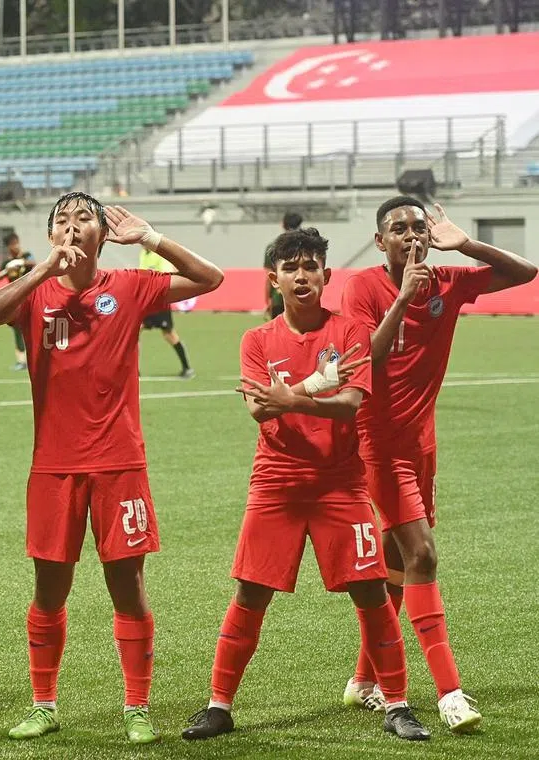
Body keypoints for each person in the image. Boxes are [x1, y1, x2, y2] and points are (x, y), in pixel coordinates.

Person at [0, 192, 224, 744]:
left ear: (103, 235)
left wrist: (151, 239)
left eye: (84, 218)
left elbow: (211, 279)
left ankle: (136, 707)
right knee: (49, 589)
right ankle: (44, 704)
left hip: (119, 463)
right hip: (53, 468)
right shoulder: (35, 292)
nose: (72, 226)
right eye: (61, 220)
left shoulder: (129, 288)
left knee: (128, 588)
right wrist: (42, 270)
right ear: (51, 235)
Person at [181, 228, 429, 742]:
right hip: (276, 483)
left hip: (341, 483)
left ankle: (398, 705)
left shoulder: (350, 331)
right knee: (250, 592)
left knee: (371, 592)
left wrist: (291, 399)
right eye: (291, 267)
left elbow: (350, 404)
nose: (302, 275)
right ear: (274, 279)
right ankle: (219, 706)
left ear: (326, 276)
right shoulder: (256, 340)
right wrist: (306, 393)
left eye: (311, 266)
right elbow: (255, 407)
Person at [339, 197, 536, 732]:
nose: (410, 236)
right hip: (375, 443)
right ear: (381, 243)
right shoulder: (362, 289)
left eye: (418, 228)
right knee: (423, 553)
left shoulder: (449, 280)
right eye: (398, 229)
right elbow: (363, 360)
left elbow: (525, 273)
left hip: (421, 444)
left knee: (397, 559)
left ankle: (364, 681)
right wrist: (403, 299)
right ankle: (449, 693)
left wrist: (465, 242)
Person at [139, 246, 194, 378]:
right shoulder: (143, 254)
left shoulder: (159, 255)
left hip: (159, 300)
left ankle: (187, 368)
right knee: (135, 331)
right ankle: (135, 371)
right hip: (147, 300)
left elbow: (166, 274)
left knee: (169, 334)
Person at [0, 232, 35, 370]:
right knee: (17, 330)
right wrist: (8, 269)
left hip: (30, 298)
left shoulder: (26, 256)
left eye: (16, 243)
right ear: (8, 247)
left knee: (33, 329)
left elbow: (34, 264)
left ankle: (34, 359)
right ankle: (21, 361)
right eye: (12, 244)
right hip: (14, 300)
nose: (15, 246)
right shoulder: (7, 262)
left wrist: (21, 262)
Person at [264, 212, 301, 320]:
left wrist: (268, 300)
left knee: (277, 333)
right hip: (299, 296)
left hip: (278, 296)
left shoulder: (273, 247)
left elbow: (268, 276)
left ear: (283, 224)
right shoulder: (305, 248)